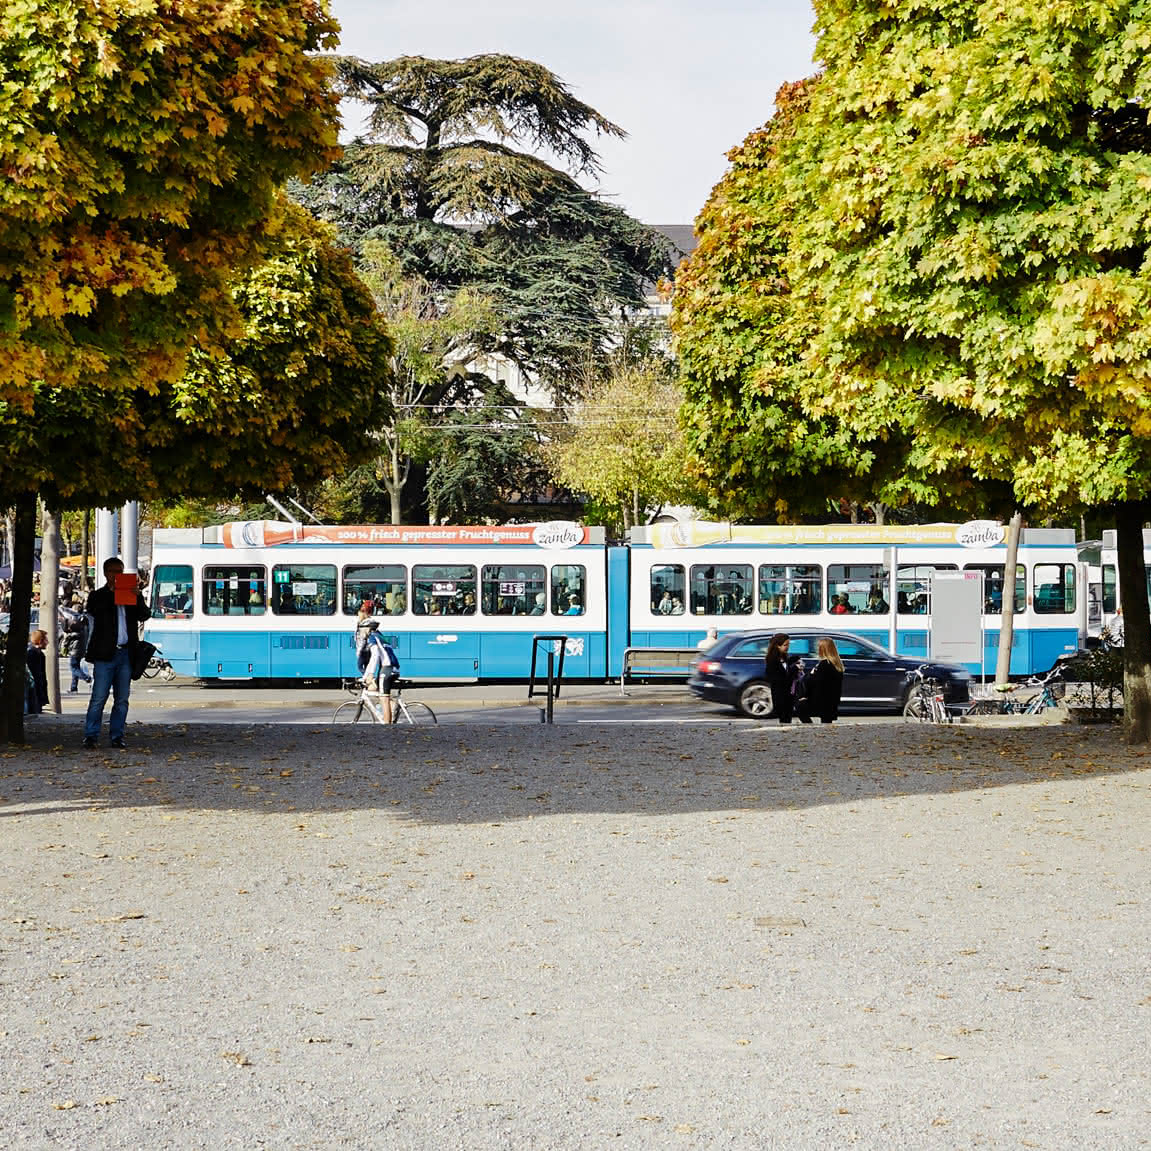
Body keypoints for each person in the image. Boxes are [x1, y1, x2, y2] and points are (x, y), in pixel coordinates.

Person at [82, 557, 150, 749]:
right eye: (113, 572)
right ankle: (91, 735)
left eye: (120, 572)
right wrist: (113, 593)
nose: (116, 575)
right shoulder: (98, 596)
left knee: (122, 699)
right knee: (99, 697)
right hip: (105, 655)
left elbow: (145, 615)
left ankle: (117, 736)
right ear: (105, 573)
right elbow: (95, 611)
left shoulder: (131, 595)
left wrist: (137, 596)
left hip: (125, 654)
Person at [796, 637, 845, 724]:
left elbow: (816, 683)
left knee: (800, 707)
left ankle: (811, 728)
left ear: (822, 649)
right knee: (826, 723)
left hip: (821, 700)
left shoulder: (824, 664)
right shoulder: (838, 664)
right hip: (832, 701)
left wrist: (810, 675)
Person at [361, 621, 399, 723]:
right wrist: (365, 676)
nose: (361, 630)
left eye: (362, 628)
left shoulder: (372, 637)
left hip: (387, 669)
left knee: (383, 699)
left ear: (368, 629)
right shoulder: (381, 636)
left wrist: (370, 674)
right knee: (372, 688)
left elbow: (375, 656)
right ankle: (393, 705)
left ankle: (387, 728)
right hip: (393, 669)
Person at [764, 633, 794, 724]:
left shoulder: (785, 657)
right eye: (785, 645)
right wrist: (794, 671)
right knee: (784, 719)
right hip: (780, 695)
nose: (788, 647)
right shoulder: (772, 660)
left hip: (788, 695)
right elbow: (779, 679)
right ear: (777, 645)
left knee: (787, 719)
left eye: (789, 644)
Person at [65, 602, 93, 692]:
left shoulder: (78, 622)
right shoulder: (84, 621)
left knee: (73, 668)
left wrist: (67, 637)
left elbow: (74, 635)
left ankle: (87, 678)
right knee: (76, 667)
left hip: (75, 649)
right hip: (80, 648)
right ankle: (73, 687)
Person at [26, 629, 48, 714]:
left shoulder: (38, 653)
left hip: (38, 689)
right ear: (40, 640)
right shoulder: (33, 653)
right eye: (45, 639)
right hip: (36, 690)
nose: (47, 642)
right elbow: (36, 674)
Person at [354, 602, 375, 674]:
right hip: (368, 650)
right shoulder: (369, 622)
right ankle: (369, 681)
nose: (358, 616)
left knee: (360, 667)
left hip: (364, 650)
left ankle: (369, 681)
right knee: (366, 667)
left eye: (359, 615)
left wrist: (359, 651)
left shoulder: (364, 624)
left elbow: (363, 639)